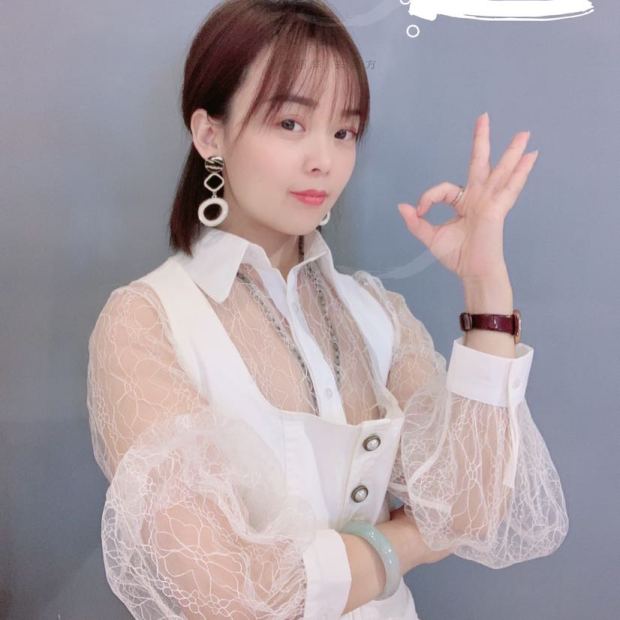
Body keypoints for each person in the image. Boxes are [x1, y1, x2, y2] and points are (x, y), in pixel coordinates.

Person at [86, 1, 569, 618]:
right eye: (290, 123)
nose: (324, 159)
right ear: (210, 135)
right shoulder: (146, 321)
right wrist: (408, 541)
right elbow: (225, 595)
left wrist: (486, 288)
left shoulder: (377, 312)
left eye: (344, 131)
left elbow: (470, 505)